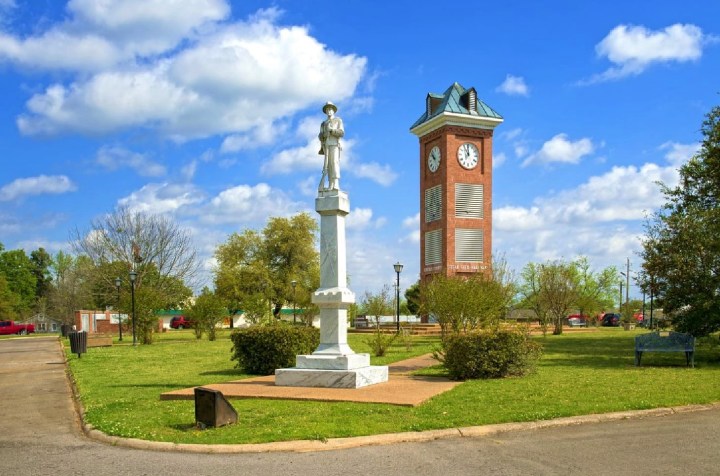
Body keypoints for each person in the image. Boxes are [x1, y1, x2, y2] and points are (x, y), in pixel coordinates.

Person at [318, 101, 344, 191]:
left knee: (334, 163)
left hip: (334, 144)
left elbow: (341, 133)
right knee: (328, 166)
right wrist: (324, 134)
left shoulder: (338, 120)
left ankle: (336, 183)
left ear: (333, 111)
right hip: (326, 146)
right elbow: (320, 136)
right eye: (327, 109)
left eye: (330, 109)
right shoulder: (323, 123)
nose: (329, 111)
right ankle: (330, 184)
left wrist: (332, 130)